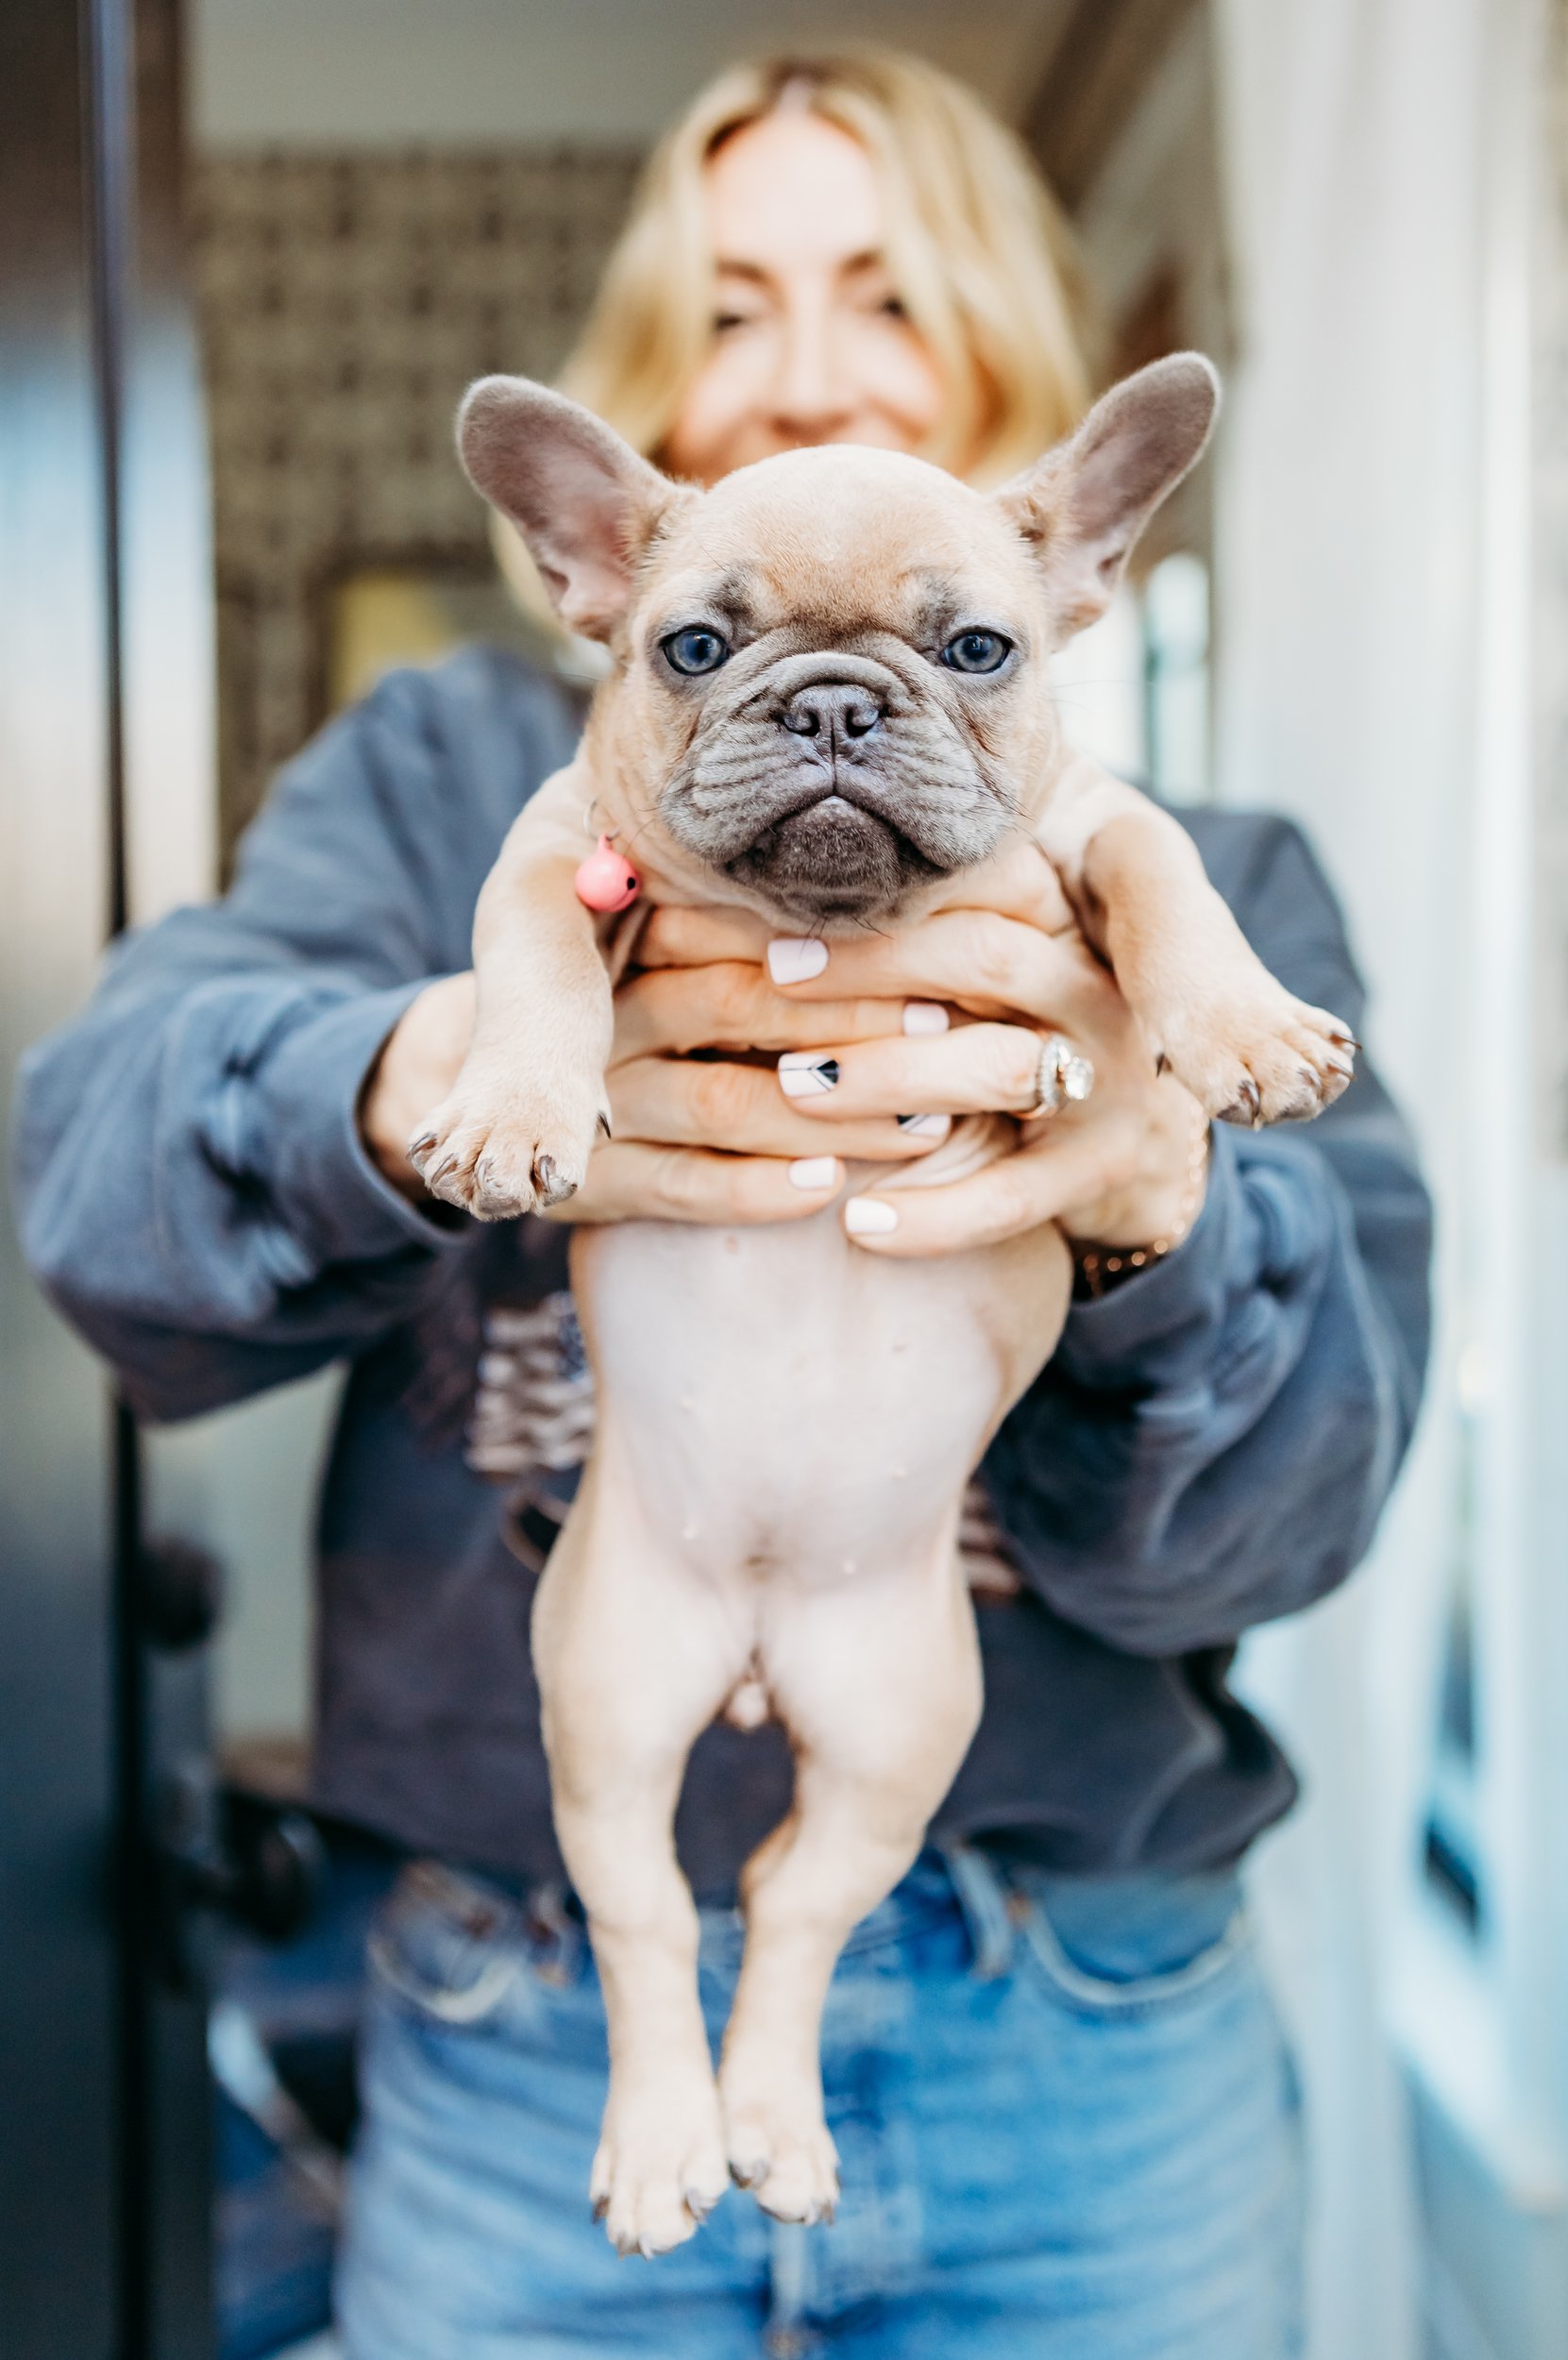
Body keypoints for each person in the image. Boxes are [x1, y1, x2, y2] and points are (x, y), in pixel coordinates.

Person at [16, 49, 1430, 2360]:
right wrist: (425, 1071)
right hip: (530, 2007)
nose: (802, 359)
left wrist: (1156, 1202)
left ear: (1069, 546)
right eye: (730, 299)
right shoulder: (466, 788)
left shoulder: (1215, 891)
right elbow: (96, 1197)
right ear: (613, 539)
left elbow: (1298, 1524)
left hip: (1088, 2034)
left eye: (888, 291)